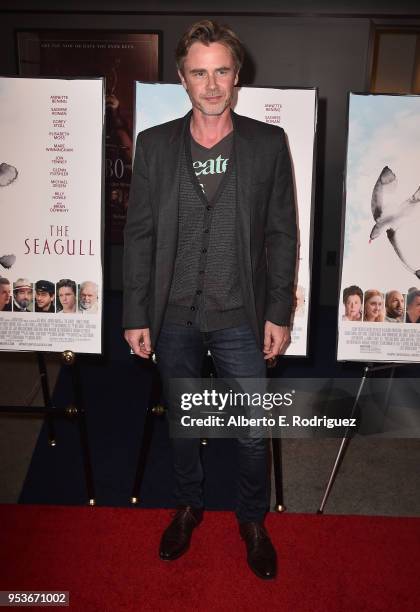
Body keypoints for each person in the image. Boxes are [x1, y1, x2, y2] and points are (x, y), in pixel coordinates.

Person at [123, 20, 297, 580]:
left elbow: (282, 235)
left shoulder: (267, 144)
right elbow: (140, 235)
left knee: (251, 429)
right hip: (172, 316)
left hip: (239, 316)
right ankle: (189, 505)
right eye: (200, 72)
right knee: (182, 420)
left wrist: (278, 313)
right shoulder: (154, 146)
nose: (213, 83)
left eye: (222, 70)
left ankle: (251, 519)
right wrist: (135, 313)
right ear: (182, 78)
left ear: (237, 74)